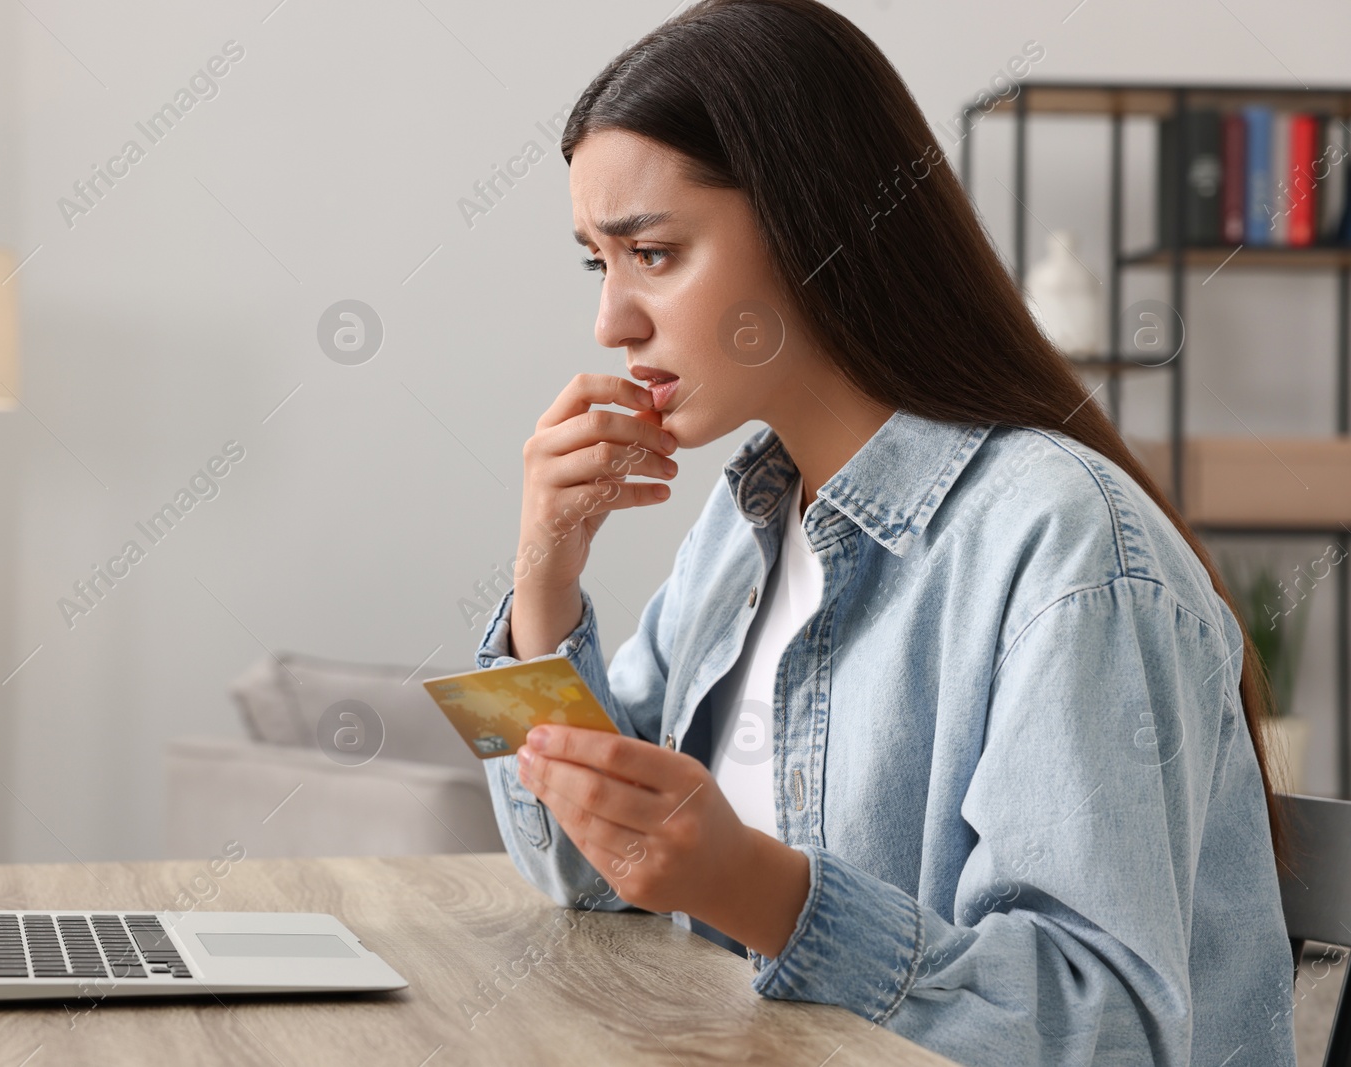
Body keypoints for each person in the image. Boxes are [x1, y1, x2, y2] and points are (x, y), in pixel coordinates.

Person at [472, 1, 1297, 1064]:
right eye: (599, 261)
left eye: (655, 252)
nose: (612, 321)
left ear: (812, 225)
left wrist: (757, 891)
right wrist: (544, 577)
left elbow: (1109, 1030)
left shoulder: (1063, 545)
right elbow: (577, 872)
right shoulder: (750, 519)